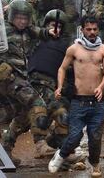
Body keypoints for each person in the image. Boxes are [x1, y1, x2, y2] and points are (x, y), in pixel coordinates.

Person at [0, 0, 58, 163]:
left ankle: (4, 152)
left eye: (25, 18)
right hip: (8, 77)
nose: (22, 21)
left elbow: (38, 31)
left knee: (23, 116)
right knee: (37, 103)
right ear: (11, 17)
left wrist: (48, 32)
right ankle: (40, 143)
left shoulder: (27, 30)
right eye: (18, 17)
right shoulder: (2, 30)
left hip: (21, 77)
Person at [48, 16, 104, 177]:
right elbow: (62, 68)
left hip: (97, 102)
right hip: (79, 101)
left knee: (95, 136)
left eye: (94, 29)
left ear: (98, 30)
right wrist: (60, 86)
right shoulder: (74, 49)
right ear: (82, 30)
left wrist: (101, 86)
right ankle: (61, 154)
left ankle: (95, 165)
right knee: (75, 136)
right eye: (88, 29)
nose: (91, 32)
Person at [28, 9, 70, 149]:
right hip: (32, 82)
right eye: (52, 25)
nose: (55, 28)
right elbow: (28, 27)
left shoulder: (66, 47)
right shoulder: (36, 39)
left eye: (59, 26)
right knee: (39, 114)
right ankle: (40, 145)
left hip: (52, 85)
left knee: (62, 114)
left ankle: (62, 148)